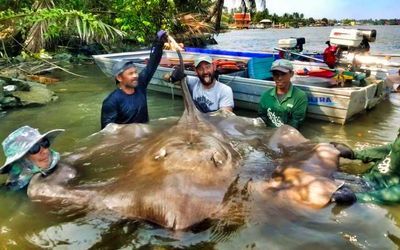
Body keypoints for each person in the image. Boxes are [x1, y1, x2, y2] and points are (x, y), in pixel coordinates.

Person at [101, 30, 168, 129]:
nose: (136, 75)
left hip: (145, 134)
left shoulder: (140, 86)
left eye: (136, 72)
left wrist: (158, 43)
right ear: (119, 78)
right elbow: (107, 132)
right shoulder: (111, 101)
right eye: (130, 73)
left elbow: (152, 64)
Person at [332, 127, 400, 204]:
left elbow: (396, 193)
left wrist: (358, 198)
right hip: (365, 178)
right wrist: (354, 154)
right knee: (328, 177)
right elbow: (389, 149)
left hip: (376, 189)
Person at [0, 126, 64, 191]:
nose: (45, 151)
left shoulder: (58, 159)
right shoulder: (14, 187)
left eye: (45, 143)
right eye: (34, 148)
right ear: (21, 158)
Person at [168, 55, 234, 113]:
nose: (205, 72)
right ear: (196, 71)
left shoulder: (225, 90)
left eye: (208, 67)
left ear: (214, 67)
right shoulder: (193, 82)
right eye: (200, 69)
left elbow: (225, 117)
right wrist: (173, 75)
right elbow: (165, 77)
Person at [258, 59, 308, 129]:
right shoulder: (266, 95)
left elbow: (296, 122)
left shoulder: (300, 96)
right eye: (276, 74)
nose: (279, 78)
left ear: (291, 74)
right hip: (269, 132)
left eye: (283, 74)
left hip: (287, 134)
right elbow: (262, 117)